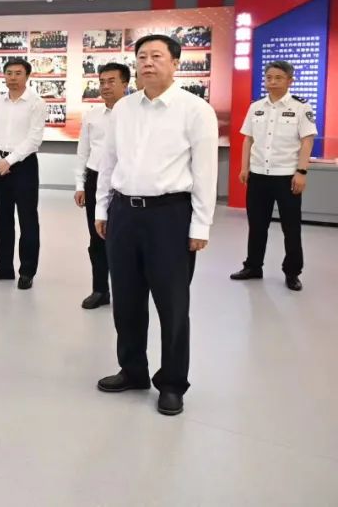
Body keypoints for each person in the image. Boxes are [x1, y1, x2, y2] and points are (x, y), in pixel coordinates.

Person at [94, 35, 218, 417]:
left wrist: (201, 226)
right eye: (142, 56)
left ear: (175, 63)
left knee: (172, 304)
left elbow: (205, 173)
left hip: (170, 216)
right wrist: (102, 209)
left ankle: (173, 383)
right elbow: (108, 162)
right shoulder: (123, 108)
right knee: (126, 301)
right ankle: (133, 370)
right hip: (123, 213)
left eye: (157, 56)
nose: (147, 63)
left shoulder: (195, 110)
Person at [231, 61, 317, 291]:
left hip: (286, 176)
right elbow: (248, 139)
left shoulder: (301, 107)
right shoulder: (256, 106)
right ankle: (253, 266)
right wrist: (244, 168)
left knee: (291, 227)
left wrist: (301, 171)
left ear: (290, 80)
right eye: (269, 77)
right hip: (258, 175)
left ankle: (292, 272)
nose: (272, 82)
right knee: (257, 225)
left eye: (278, 78)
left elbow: (307, 141)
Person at [0, 59, 46, 289]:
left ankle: (27, 271)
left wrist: (8, 161)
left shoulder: (36, 103)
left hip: (23, 165)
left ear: (27, 76)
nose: (12, 77)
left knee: (28, 218)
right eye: (9, 73)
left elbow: (34, 139)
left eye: (18, 73)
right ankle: (4, 267)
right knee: (3, 217)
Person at [73, 62, 130, 309]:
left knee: (125, 239)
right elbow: (83, 151)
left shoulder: (134, 114)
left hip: (126, 182)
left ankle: (127, 292)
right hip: (96, 179)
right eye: (102, 82)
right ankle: (100, 290)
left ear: (125, 84)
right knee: (98, 236)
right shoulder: (92, 116)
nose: (105, 86)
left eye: (111, 81)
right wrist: (80, 184)